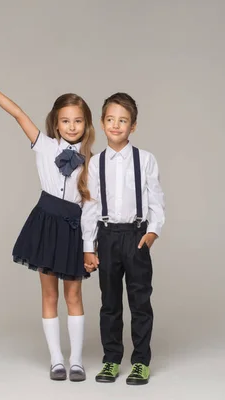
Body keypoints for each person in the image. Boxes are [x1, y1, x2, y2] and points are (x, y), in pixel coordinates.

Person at [0, 64, 98, 382]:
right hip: (46, 224)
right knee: (49, 295)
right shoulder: (44, 146)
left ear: (86, 124)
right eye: (65, 120)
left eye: (78, 121)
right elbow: (18, 113)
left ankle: (76, 360)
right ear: (56, 122)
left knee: (74, 296)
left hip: (74, 229)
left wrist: (89, 247)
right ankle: (56, 360)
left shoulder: (94, 160)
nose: (71, 125)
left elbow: (92, 207)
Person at [82, 92, 165, 385]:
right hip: (106, 237)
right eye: (110, 119)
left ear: (133, 126)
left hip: (136, 235)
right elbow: (90, 206)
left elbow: (156, 198)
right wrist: (88, 247)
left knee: (140, 301)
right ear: (103, 123)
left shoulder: (146, 160)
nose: (116, 125)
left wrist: (152, 231)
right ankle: (111, 360)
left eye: (123, 120)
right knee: (110, 303)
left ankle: (140, 361)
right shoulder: (96, 163)